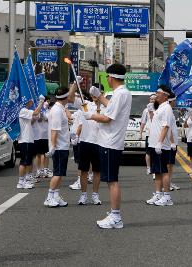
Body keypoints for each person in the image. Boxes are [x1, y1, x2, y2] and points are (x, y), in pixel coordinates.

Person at [85, 64, 132, 229]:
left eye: (107, 77)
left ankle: (116, 216)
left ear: (111, 78)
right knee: (111, 180)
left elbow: (107, 118)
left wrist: (90, 116)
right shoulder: (121, 93)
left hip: (110, 141)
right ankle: (114, 213)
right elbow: (110, 107)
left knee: (112, 180)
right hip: (110, 141)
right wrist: (99, 96)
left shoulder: (120, 94)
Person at [146, 86, 174, 206]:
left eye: (158, 93)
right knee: (157, 171)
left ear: (165, 95)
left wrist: (160, 143)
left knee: (164, 172)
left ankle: (167, 196)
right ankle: (158, 194)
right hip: (153, 144)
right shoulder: (160, 108)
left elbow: (165, 126)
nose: (156, 95)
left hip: (161, 146)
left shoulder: (167, 108)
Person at [77, 84, 105, 205]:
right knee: (84, 170)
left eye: (97, 92)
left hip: (99, 142)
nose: (95, 95)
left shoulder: (107, 107)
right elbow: (71, 97)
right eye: (93, 93)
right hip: (85, 141)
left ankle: (95, 195)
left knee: (97, 171)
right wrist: (74, 84)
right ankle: (83, 195)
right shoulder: (85, 105)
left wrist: (99, 111)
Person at [44, 87, 71, 208]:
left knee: (60, 173)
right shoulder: (57, 111)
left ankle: (56, 195)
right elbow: (54, 131)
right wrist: (53, 147)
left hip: (63, 145)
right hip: (59, 147)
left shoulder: (61, 108)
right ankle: (49, 197)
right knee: (57, 173)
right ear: (65, 97)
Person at [17, 98, 44, 189]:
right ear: (26, 101)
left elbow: (32, 120)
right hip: (25, 139)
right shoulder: (22, 110)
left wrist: (38, 113)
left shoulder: (25, 111)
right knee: (24, 162)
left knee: (27, 161)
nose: (32, 102)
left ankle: (24, 180)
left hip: (28, 139)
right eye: (31, 100)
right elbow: (35, 113)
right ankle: (21, 182)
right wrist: (41, 103)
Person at [140, 94, 156, 178]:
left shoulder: (158, 109)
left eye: (154, 99)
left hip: (157, 134)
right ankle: (148, 168)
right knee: (148, 152)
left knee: (155, 153)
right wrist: (140, 132)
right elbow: (143, 122)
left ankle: (154, 171)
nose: (152, 100)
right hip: (148, 134)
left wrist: (152, 111)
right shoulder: (145, 110)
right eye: (151, 99)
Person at [168, 96, 180, 191]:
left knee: (171, 164)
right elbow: (168, 128)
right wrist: (172, 142)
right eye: (175, 100)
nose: (176, 101)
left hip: (172, 142)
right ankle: (167, 184)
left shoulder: (170, 111)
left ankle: (169, 182)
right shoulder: (168, 111)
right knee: (169, 164)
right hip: (169, 143)